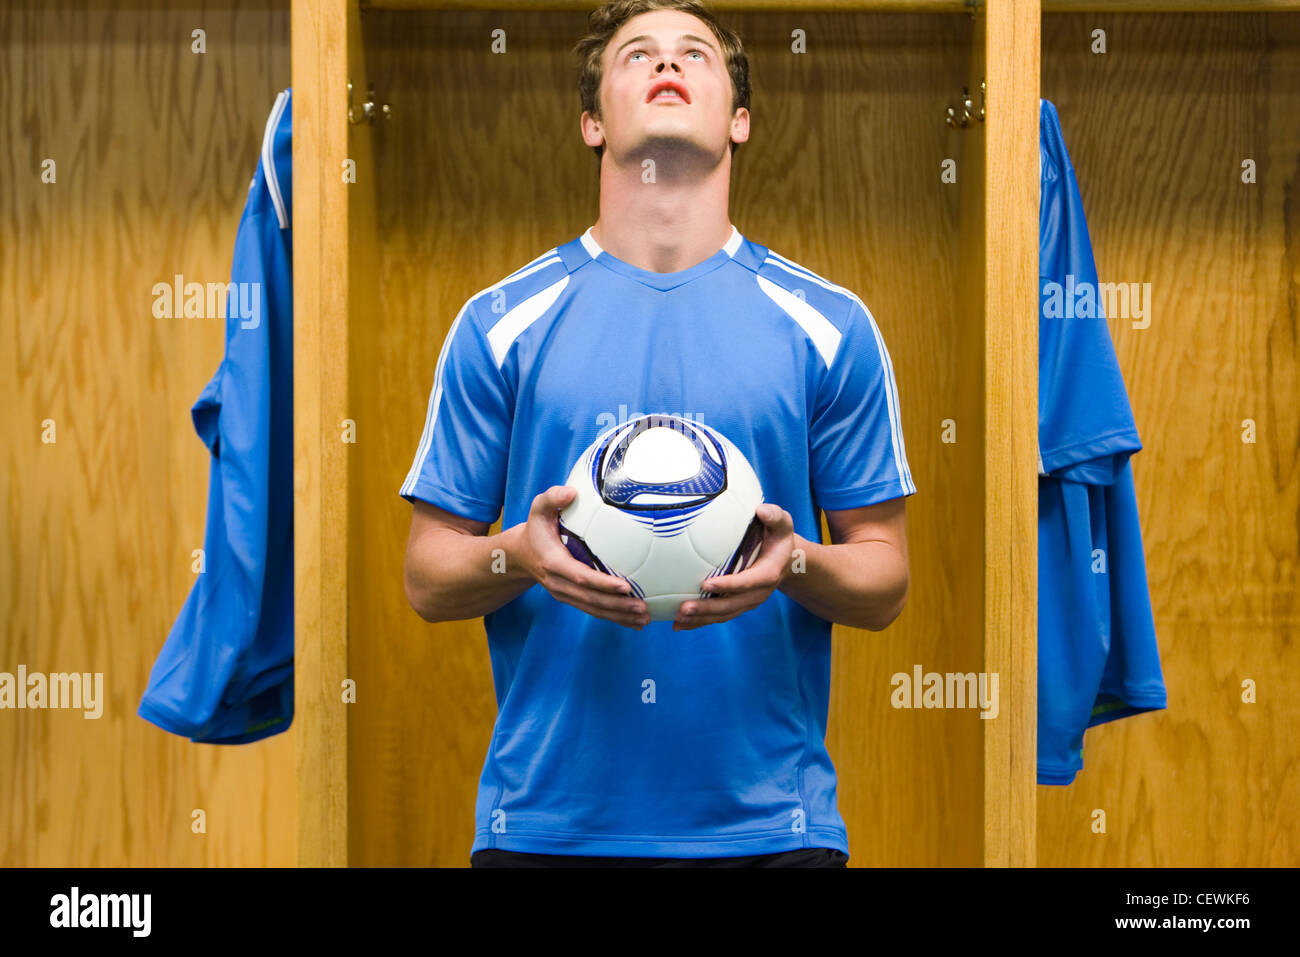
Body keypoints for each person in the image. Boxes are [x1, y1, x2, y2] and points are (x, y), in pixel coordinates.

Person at [400, 0, 915, 869]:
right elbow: (425, 572)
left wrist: (793, 562)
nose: (667, 64)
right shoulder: (501, 323)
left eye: (696, 55)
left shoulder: (828, 325)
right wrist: (520, 556)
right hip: (545, 830)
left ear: (740, 119)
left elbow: (885, 578)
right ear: (593, 121)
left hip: (773, 832)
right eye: (636, 54)